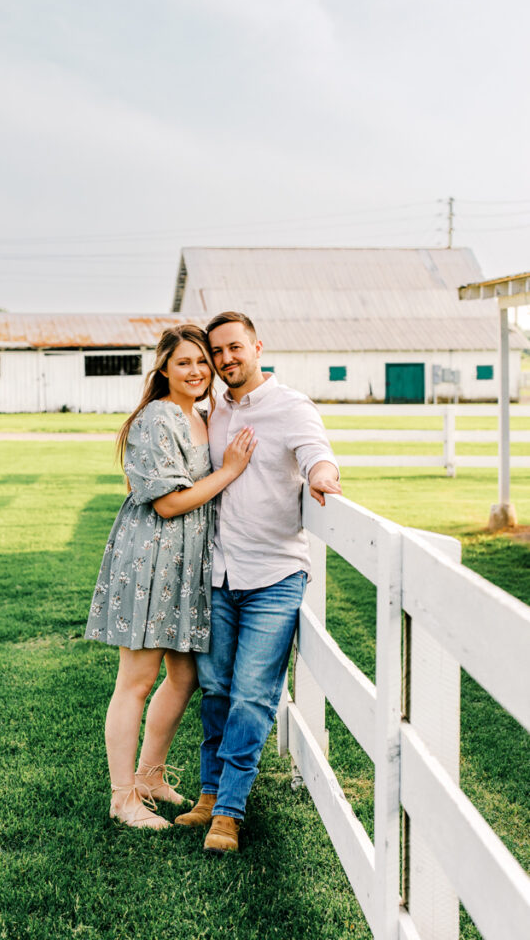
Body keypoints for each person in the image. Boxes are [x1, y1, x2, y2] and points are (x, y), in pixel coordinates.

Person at [175, 311, 341, 853]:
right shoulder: (215, 408)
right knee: (217, 690)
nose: (224, 359)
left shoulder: (291, 406)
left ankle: (228, 811)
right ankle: (208, 793)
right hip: (219, 574)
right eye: (216, 351)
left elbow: (317, 452)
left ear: (257, 346)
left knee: (252, 695)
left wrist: (321, 474)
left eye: (233, 348)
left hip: (274, 575)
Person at [84, 324, 257, 830]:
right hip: (151, 560)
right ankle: (123, 798)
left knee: (184, 676)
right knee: (136, 681)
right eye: (184, 362)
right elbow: (166, 503)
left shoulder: (202, 415)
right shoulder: (158, 418)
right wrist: (229, 471)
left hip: (188, 564)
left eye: (203, 361)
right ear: (163, 367)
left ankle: (150, 777)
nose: (198, 370)